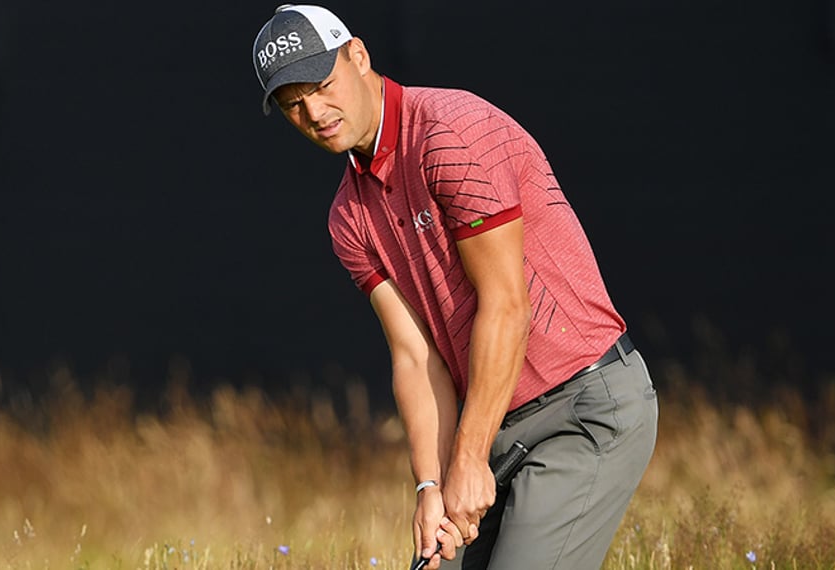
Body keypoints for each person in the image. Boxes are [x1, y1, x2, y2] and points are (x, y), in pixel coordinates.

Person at [252, 5, 658, 569]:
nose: (316, 113)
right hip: (495, 420)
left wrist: (467, 461)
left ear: (359, 55)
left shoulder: (450, 132)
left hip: (584, 406)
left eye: (322, 86)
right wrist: (430, 487)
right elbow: (416, 359)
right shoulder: (348, 216)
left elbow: (508, 306)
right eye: (294, 105)